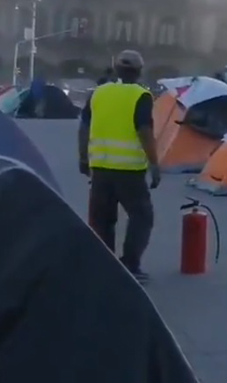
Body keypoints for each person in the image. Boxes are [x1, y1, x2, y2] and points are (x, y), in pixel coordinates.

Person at [78, 50, 160, 283]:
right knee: (141, 216)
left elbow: (84, 127)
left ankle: (105, 266)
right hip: (129, 171)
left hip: (101, 167)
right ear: (139, 72)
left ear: (115, 69)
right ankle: (130, 265)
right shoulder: (141, 95)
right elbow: (144, 131)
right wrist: (155, 164)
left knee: (102, 219)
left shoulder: (98, 93)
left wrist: (83, 158)